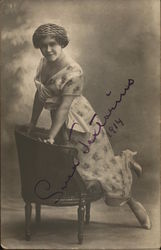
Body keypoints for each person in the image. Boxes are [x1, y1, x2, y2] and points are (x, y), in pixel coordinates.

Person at [28, 23, 151, 229]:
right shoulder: (44, 64)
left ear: (62, 43)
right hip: (60, 125)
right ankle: (124, 164)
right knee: (77, 170)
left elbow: (65, 108)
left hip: (81, 125)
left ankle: (131, 198)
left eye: (52, 44)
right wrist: (33, 122)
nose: (48, 49)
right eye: (43, 45)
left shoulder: (74, 72)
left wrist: (51, 135)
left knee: (96, 171)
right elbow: (40, 97)